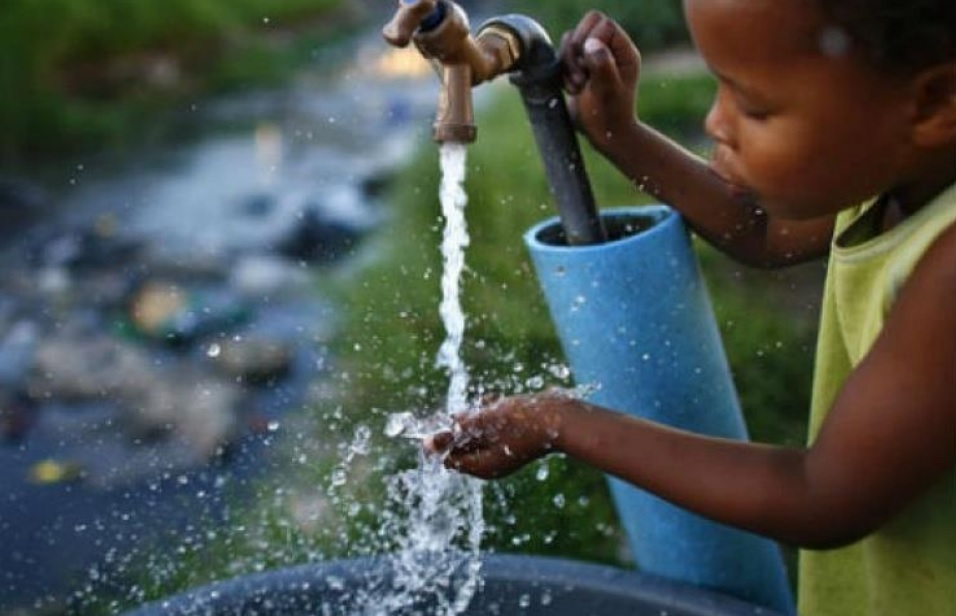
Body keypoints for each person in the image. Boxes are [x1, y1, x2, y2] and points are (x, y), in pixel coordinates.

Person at [424, 1, 956, 614]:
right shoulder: (899, 174)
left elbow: (825, 496)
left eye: (755, 107)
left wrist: (559, 423)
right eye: (718, 87)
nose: (715, 121)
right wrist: (618, 133)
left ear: (934, 102)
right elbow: (761, 231)